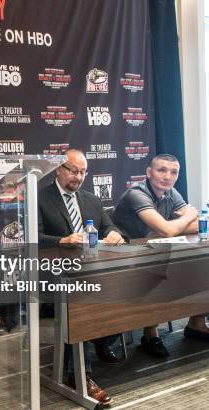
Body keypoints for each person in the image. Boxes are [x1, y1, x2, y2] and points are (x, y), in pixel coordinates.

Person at [38, 149, 125, 406]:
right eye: (73, 170)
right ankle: (79, 374)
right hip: (55, 275)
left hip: (93, 270)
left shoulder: (91, 199)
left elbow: (108, 225)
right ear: (59, 170)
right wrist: (62, 239)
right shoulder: (39, 198)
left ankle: (101, 341)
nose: (79, 176)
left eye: (83, 172)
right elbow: (29, 236)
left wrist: (114, 234)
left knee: (130, 290)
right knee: (81, 302)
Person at [113, 153, 207, 357]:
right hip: (124, 257)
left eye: (173, 172)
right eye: (161, 170)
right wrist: (178, 222)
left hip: (154, 250)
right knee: (158, 272)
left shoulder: (171, 192)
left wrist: (167, 228)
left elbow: (195, 225)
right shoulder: (136, 193)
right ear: (149, 172)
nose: (168, 176)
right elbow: (175, 226)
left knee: (202, 264)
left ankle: (197, 323)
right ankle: (150, 334)